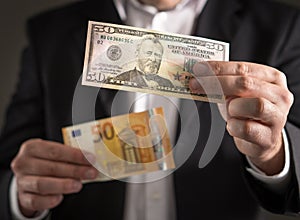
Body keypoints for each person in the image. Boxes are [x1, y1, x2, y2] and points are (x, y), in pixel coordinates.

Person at [0, 0, 299, 219]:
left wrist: (273, 154)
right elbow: (10, 164)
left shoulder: (282, 27)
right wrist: (21, 193)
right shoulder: (48, 33)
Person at [106, 34, 174, 88]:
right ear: (137, 54)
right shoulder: (121, 79)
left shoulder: (167, 84)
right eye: (148, 53)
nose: (153, 59)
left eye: (158, 55)